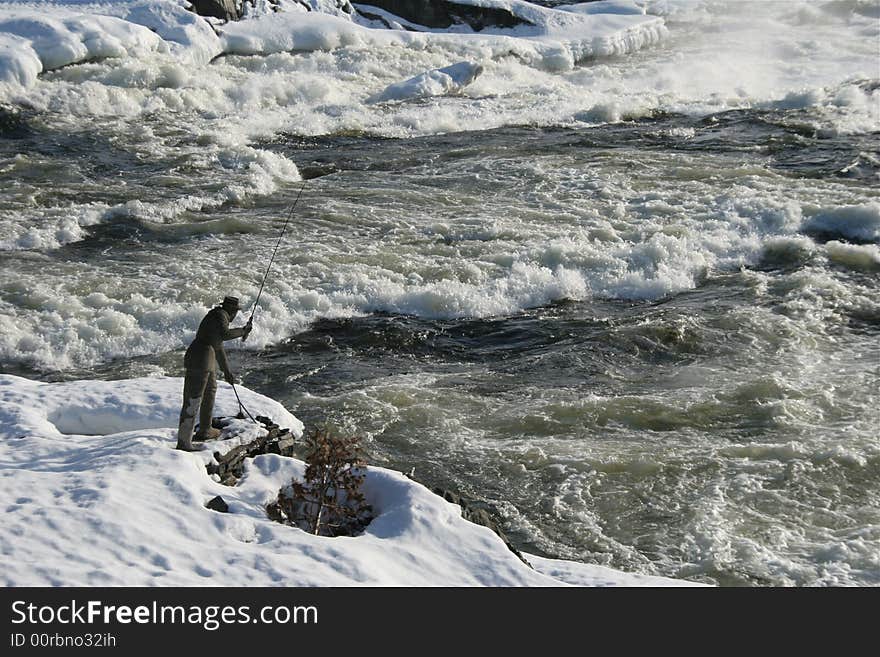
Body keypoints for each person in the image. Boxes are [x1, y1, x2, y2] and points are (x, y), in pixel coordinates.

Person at [176, 296, 252, 451]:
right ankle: (184, 442)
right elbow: (224, 335)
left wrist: (227, 371)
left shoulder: (218, 317)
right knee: (193, 399)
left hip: (207, 359)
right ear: (231, 310)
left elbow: (218, 347)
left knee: (210, 391)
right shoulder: (219, 315)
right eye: (236, 311)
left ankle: (205, 430)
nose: (235, 315)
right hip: (199, 359)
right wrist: (243, 331)